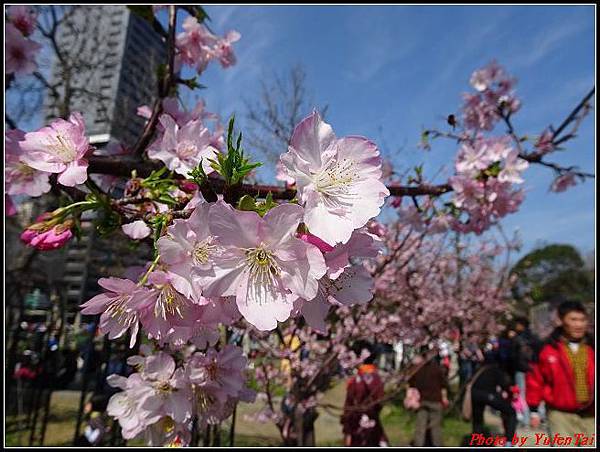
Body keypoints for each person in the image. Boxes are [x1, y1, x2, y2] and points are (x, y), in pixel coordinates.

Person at [526, 301, 594, 438]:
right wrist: (534, 410)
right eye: (573, 320)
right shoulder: (547, 349)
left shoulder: (591, 348)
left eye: (582, 320)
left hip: (591, 415)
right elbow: (535, 380)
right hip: (560, 414)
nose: (579, 325)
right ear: (561, 321)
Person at [341, 342, 389, 447]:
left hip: (357, 426)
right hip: (373, 424)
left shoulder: (357, 380)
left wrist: (347, 430)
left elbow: (349, 406)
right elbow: (379, 401)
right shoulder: (377, 377)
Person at [470, 350, 517, 443]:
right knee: (511, 412)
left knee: (477, 421)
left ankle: (476, 442)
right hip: (488, 395)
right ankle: (509, 441)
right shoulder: (495, 369)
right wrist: (510, 392)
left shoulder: (479, 368)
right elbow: (505, 385)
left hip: (475, 395)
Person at [408, 350, 449, 447]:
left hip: (422, 401)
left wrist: (410, 398)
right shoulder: (438, 369)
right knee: (436, 428)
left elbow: (411, 384)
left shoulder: (417, 369)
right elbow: (443, 386)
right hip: (435, 400)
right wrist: (444, 398)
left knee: (420, 428)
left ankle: (419, 445)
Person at [510, 316, 542, 426]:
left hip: (521, 368)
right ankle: (539, 416)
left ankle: (525, 419)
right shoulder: (534, 337)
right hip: (533, 367)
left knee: (521, 393)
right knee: (535, 392)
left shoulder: (518, 338)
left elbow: (514, 355)